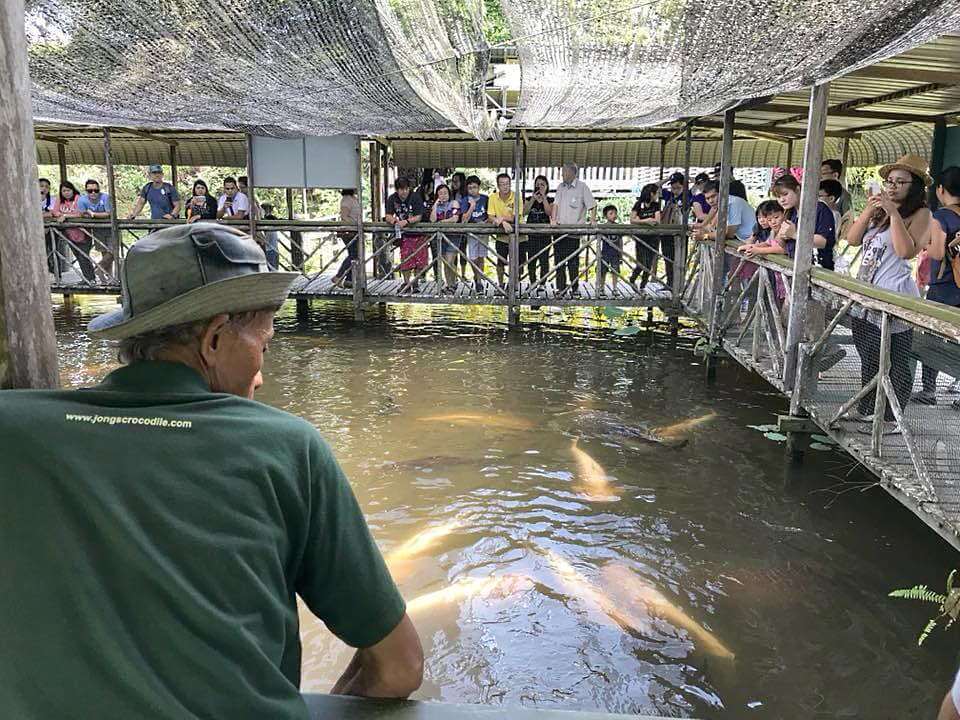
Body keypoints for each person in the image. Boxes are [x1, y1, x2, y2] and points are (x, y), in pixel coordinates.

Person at [0, 223, 423, 719]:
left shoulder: (13, 429)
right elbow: (399, 668)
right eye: (263, 346)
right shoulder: (286, 447)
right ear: (215, 339)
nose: (262, 377)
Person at [844, 154, 931, 432]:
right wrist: (870, 211)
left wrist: (894, 214)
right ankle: (868, 409)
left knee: (896, 360)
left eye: (900, 182)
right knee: (869, 355)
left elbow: (907, 251)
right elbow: (853, 239)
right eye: (889, 181)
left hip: (896, 296)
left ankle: (892, 418)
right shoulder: (879, 211)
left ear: (914, 185)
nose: (892, 187)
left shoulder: (921, 214)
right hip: (867, 294)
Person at [913, 166, 960, 408]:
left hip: (944, 288)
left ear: (941, 190)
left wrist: (922, 246)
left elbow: (938, 252)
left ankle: (929, 391)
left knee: (931, 337)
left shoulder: (941, 217)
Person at [551, 163, 596, 297]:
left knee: (573, 262)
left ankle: (575, 288)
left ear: (572, 173)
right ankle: (560, 288)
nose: (562, 174)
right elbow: (555, 205)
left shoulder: (582, 187)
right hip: (559, 231)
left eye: (564, 172)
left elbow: (592, 205)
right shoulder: (560, 187)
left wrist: (593, 220)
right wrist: (553, 220)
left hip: (574, 233)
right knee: (559, 261)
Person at [385, 178, 427, 294]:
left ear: (409, 188)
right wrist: (394, 221)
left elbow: (419, 216)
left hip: (419, 233)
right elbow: (388, 215)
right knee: (406, 260)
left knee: (420, 261)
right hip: (405, 235)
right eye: (400, 189)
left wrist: (406, 221)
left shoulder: (415, 197)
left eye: (405, 189)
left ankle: (416, 282)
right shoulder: (392, 199)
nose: (403, 192)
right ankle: (407, 282)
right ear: (397, 190)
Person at [51, 180, 96, 282]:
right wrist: (60, 215)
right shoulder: (60, 200)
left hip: (83, 232)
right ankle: (87, 279)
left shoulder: (79, 199)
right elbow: (54, 211)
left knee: (84, 255)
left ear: (73, 190)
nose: (66, 193)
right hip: (69, 233)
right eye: (64, 191)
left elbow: (80, 213)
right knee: (78, 256)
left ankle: (91, 279)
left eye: (68, 190)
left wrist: (65, 216)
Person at [76, 179, 114, 280]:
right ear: (86, 191)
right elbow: (82, 214)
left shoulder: (105, 197)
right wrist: (92, 215)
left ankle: (99, 268)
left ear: (99, 190)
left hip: (111, 227)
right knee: (105, 253)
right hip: (97, 229)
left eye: (96, 190)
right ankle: (109, 278)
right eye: (90, 191)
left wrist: (93, 214)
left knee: (113, 252)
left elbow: (108, 213)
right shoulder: (82, 200)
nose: (93, 193)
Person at [523, 175, 554, 292]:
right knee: (531, 260)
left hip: (545, 236)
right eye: (537, 184)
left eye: (542, 184)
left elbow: (549, 212)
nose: (539, 186)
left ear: (547, 187)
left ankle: (542, 283)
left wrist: (544, 198)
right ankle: (532, 282)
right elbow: (524, 212)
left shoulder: (550, 200)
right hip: (531, 236)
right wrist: (533, 199)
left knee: (544, 260)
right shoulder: (529, 198)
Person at [429, 184, 462, 292]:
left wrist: (442, 222)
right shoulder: (437, 206)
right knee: (444, 262)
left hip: (453, 236)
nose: (443, 195)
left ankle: (453, 283)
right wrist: (435, 206)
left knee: (449, 261)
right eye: (440, 193)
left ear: (449, 193)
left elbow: (455, 218)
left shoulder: (454, 203)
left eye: (445, 193)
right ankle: (449, 285)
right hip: (441, 238)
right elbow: (432, 220)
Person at [629, 183, 661, 289]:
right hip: (641, 237)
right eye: (656, 193)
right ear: (652, 194)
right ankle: (633, 279)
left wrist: (640, 220)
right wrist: (646, 221)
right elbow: (632, 220)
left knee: (649, 264)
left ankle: (643, 285)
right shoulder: (638, 204)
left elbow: (657, 220)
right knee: (641, 262)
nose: (657, 195)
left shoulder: (656, 205)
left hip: (653, 238)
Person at [460, 175, 489, 293]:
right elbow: (464, 220)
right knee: (473, 258)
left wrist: (484, 222)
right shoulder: (464, 200)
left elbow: (490, 215)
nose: (472, 190)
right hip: (471, 232)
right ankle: (477, 277)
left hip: (483, 231)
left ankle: (479, 281)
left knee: (481, 257)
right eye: (470, 187)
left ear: (479, 187)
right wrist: (471, 206)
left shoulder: (485, 199)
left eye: (475, 187)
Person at [487, 172, 515, 288]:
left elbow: (514, 217)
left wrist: (501, 218)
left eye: (507, 184)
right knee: (500, 261)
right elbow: (490, 216)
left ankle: (513, 284)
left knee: (517, 263)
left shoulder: (516, 196)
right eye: (502, 184)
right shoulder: (493, 197)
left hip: (517, 236)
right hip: (501, 236)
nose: (505, 186)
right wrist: (503, 222)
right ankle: (500, 284)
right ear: (498, 186)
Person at [333, 189, 362, 288]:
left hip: (355, 230)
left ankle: (349, 280)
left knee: (355, 254)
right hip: (349, 231)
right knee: (353, 255)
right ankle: (339, 276)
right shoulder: (346, 200)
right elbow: (344, 216)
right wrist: (355, 224)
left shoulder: (354, 198)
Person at [598, 204, 623, 296]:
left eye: (615, 213)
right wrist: (598, 253)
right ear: (606, 216)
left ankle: (615, 288)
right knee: (602, 271)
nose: (614, 215)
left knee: (615, 271)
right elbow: (598, 241)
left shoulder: (619, 227)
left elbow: (620, 241)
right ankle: (601, 288)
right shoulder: (603, 227)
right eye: (611, 213)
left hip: (615, 253)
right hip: (605, 252)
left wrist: (621, 253)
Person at [450, 171, 469, 275]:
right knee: (452, 251)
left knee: (462, 250)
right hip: (452, 225)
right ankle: (455, 274)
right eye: (453, 181)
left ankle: (463, 274)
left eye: (456, 181)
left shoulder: (465, 195)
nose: (454, 183)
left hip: (462, 224)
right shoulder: (451, 194)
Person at [261, 202, 280, 271]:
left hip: (272, 247)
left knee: (272, 267)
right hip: (271, 247)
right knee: (273, 268)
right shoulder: (267, 219)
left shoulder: (269, 219)